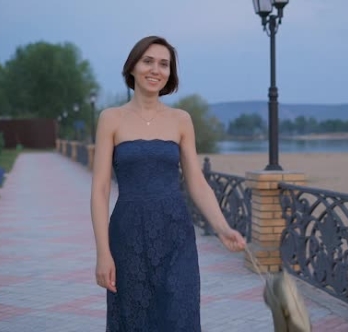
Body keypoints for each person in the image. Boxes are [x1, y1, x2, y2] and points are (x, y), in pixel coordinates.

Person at [90, 35, 247, 331]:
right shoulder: (111, 119)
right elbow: (99, 190)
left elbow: (196, 182)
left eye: (164, 64)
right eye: (148, 61)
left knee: (180, 316)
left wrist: (223, 227)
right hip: (128, 237)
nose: (156, 70)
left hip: (176, 236)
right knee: (133, 320)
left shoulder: (181, 120)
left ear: (170, 73)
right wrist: (103, 252)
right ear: (133, 67)